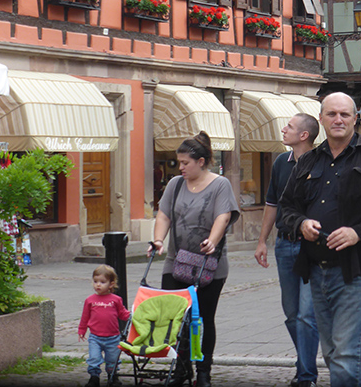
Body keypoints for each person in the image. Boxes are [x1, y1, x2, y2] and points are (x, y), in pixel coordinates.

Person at [280, 92, 361, 387]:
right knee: (334, 354)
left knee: (347, 356)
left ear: (355, 119)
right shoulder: (308, 161)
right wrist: (301, 224)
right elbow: (287, 207)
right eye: (332, 114)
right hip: (316, 271)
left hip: (357, 272)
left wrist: (358, 232)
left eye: (345, 114)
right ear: (322, 119)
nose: (338, 119)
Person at [149, 131, 240, 387]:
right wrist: (158, 240)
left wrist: (212, 239)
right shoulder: (176, 184)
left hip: (208, 265)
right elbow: (164, 215)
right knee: (176, 317)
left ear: (201, 161)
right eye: (179, 163)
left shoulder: (220, 184)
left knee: (203, 318)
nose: (181, 167)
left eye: (185, 163)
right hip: (176, 261)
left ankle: (203, 371)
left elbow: (223, 215)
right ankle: (181, 368)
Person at [255, 113, 321, 387]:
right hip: (284, 244)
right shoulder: (282, 162)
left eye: (290, 127)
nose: (284, 130)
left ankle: (306, 375)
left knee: (307, 315)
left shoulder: (322, 163)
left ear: (304, 135)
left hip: (311, 247)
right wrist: (262, 241)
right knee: (292, 314)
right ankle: (304, 361)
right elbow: (272, 203)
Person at [78, 264, 131, 387]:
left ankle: (112, 377)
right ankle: (94, 377)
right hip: (95, 337)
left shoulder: (116, 299)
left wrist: (132, 317)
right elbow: (85, 316)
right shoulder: (90, 300)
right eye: (95, 281)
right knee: (94, 358)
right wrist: (82, 329)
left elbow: (122, 314)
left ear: (111, 284)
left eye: (102, 282)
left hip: (113, 337)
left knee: (112, 360)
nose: (98, 285)